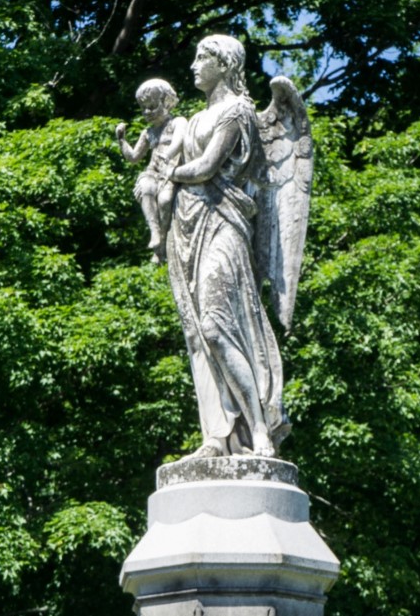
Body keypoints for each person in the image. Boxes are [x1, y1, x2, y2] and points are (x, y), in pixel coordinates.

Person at [167, 35, 290, 458]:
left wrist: (166, 177)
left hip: (223, 222)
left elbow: (204, 168)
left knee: (218, 326)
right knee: (198, 332)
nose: (194, 65)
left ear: (225, 63)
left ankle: (258, 429)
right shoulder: (193, 118)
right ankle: (217, 437)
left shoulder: (237, 110)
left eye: (203, 57)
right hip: (185, 227)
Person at [116, 79, 187, 263]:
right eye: (144, 108)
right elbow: (133, 157)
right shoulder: (148, 133)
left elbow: (179, 141)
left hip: (171, 171)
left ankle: (161, 245)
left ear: (167, 102)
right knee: (145, 187)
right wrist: (122, 140)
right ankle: (155, 233)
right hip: (153, 172)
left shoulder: (178, 122)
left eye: (153, 106)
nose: (147, 112)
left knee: (164, 201)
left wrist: (169, 155)